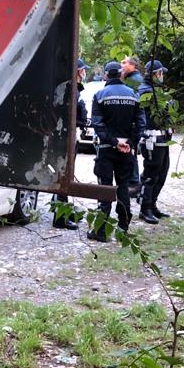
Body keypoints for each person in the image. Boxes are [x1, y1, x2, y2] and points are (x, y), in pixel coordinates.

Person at [88, 61, 145, 242]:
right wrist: (129, 142)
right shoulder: (134, 95)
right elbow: (141, 123)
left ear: (106, 75)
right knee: (123, 188)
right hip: (126, 151)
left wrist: (112, 142)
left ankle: (101, 231)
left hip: (106, 150)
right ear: (120, 74)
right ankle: (123, 229)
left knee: (105, 189)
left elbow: (97, 124)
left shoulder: (99, 95)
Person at [52, 59, 89, 229]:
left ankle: (62, 212)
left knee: (62, 175)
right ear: (77, 71)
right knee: (64, 177)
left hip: (62, 136)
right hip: (66, 138)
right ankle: (60, 218)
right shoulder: (71, 89)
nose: (84, 72)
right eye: (82, 70)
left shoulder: (65, 87)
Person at [139, 60, 172, 223]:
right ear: (155, 74)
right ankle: (145, 208)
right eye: (161, 73)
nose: (162, 76)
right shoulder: (146, 91)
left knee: (162, 172)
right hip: (151, 137)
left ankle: (152, 204)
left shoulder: (157, 91)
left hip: (163, 137)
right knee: (151, 174)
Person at [120, 56, 145, 198]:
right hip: (133, 122)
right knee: (130, 153)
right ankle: (133, 182)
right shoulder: (132, 79)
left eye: (124, 63)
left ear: (133, 65)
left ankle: (134, 184)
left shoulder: (133, 81)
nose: (121, 65)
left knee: (130, 152)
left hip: (131, 123)